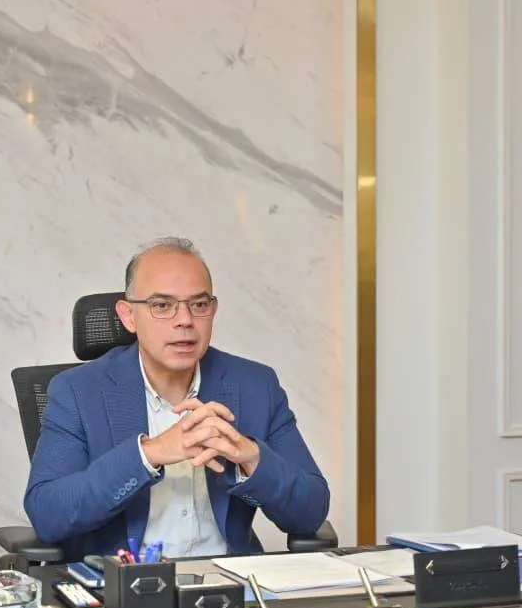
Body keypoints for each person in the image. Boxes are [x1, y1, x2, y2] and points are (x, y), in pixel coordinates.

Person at [23, 237, 329, 560]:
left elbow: (311, 512)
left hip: (230, 582)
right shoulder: (77, 391)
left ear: (213, 310)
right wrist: (151, 453)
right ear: (128, 316)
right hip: (126, 581)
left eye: (199, 305)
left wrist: (251, 458)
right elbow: (48, 513)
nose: (185, 320)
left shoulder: (255, 386)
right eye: (162, 306)